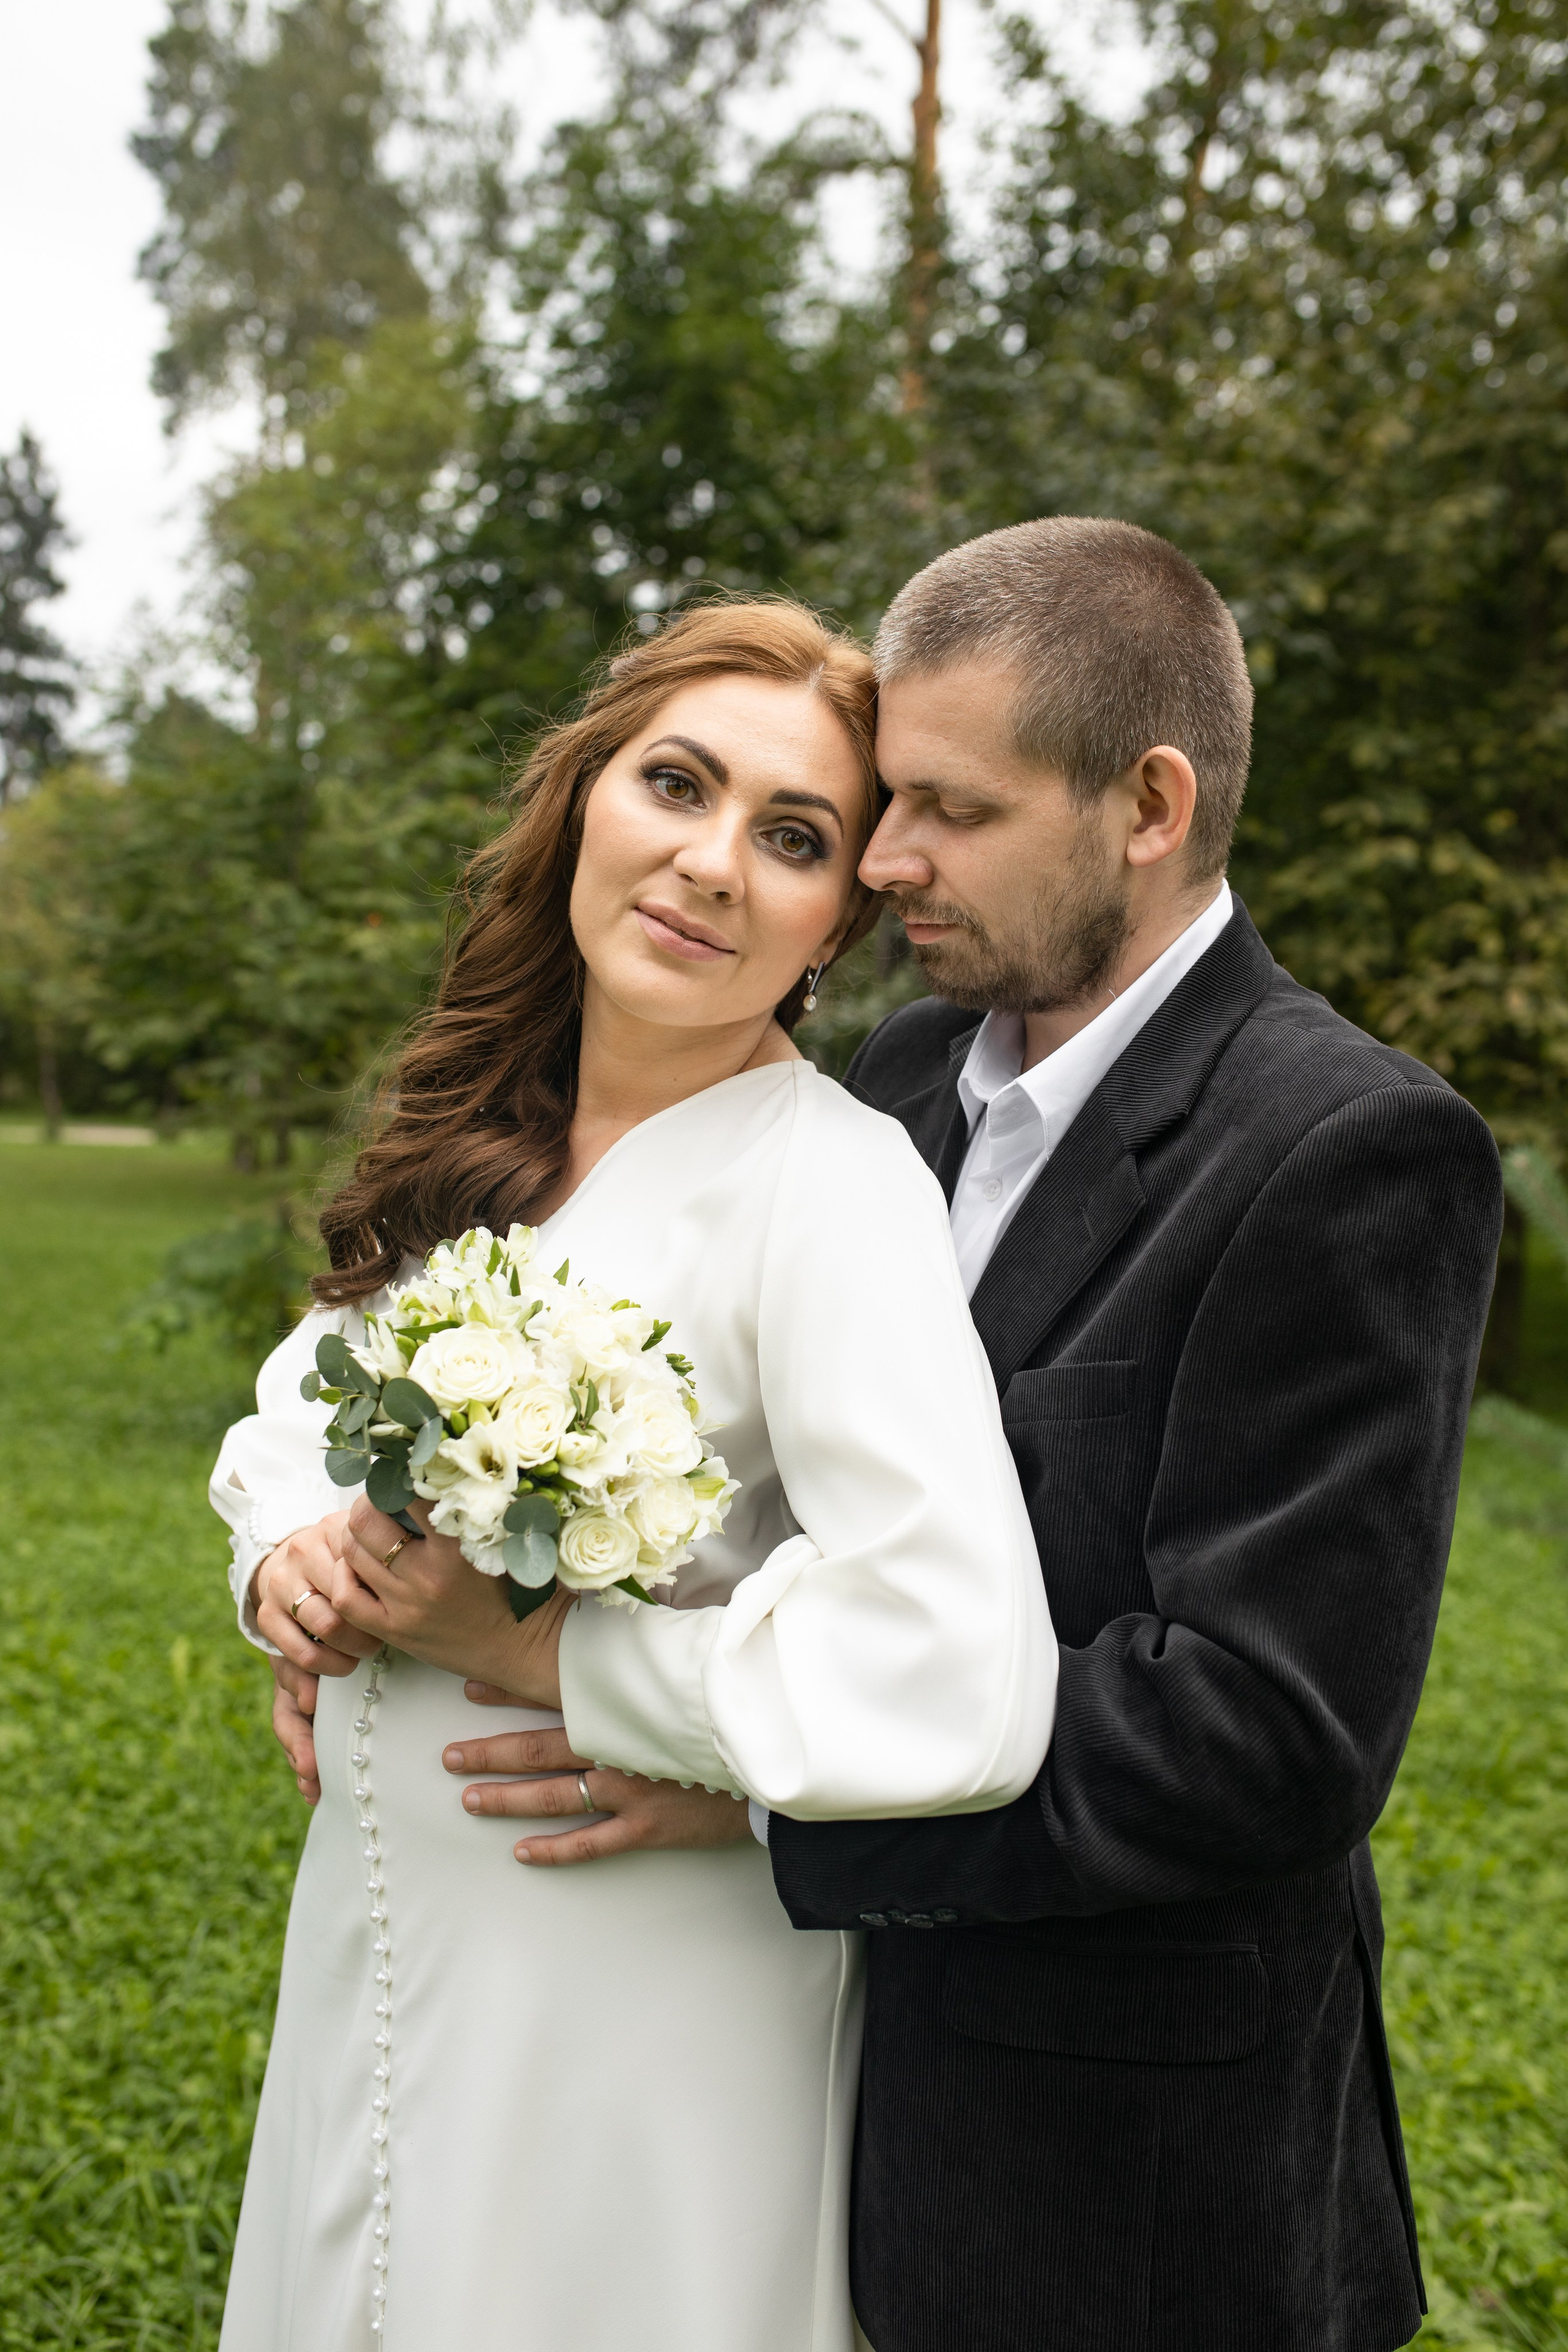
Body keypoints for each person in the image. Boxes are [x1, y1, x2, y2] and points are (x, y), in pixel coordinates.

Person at [209, 598, 1057, 2352]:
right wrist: (286, 1543)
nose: (715, 864)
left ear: (837, 918)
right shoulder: (489, 1123)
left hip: (645, 1977)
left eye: (796, 837)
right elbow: (311, 1385)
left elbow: (953, 1656)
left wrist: (573, 1664)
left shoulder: (831, 1190)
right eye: (678, 783)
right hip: (385, 1931)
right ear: (589, 797)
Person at [758, 518, 1505, 2351]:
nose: (881, 860)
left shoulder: (1349, 1151)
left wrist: (754, 1770)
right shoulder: (898, 1080)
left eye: (950, 807)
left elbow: (1263, 1732)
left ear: (1148, 803)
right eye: (881, 799)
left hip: (1125, 2190)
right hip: (824, 2107)